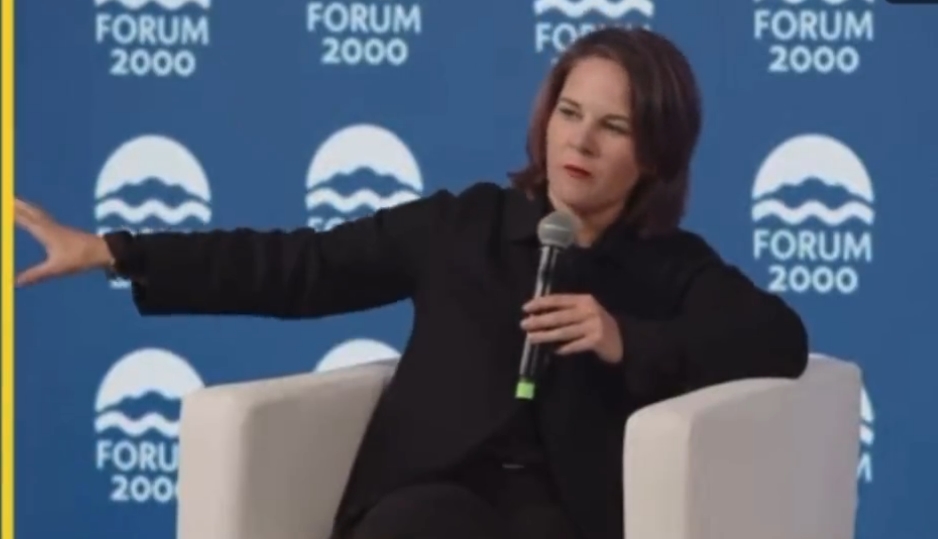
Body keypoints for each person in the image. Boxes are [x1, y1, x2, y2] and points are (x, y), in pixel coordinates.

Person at [15, 27, 808, 539]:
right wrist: (116, 250)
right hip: (427, 497)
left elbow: (779, 340)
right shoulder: (463, 225)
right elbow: (301, 267)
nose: (581, 141)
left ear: (657, 153)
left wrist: (624, 337)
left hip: (562, 515)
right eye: (570, 113)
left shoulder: (671, 265)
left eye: (614, 126)